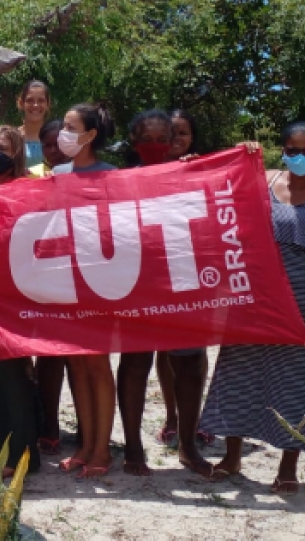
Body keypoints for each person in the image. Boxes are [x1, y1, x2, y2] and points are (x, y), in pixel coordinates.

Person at [200, 122, 305, 492]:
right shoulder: (260, 180)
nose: (300, 157)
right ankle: (232, 458)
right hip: (251, 292)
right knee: (238, 371)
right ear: (282, 149)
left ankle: (287, 468)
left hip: (298, 297)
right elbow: (216, 191)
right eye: (293, 149)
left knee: (295, 380)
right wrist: (231, 156)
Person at [114, 109, 207, 477]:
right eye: (146, 140)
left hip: (183, 280)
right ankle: (133, 447)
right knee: (136, 363)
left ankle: (187, 444)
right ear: (135, 144)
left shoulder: (193, 174)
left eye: (161, 139)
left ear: (173, 141)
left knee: (188, 362)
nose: (154, 146)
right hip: (137, 282)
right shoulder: (120, 180)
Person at [53, 103, 117, 478]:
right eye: (63, 125)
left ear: (90, 135)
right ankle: (85, 444)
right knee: (77, 362)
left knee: (97, 363)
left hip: (101, 280)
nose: (64, 132)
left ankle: (102, 450)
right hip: (65, 279)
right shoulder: (58, 174)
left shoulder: (111, 175)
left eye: (71, 127)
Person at [0, 125, 42, 478]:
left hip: (18, 292)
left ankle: (23, 456)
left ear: (15, 154)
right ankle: (11, 448)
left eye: (3, 147)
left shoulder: (26, 189)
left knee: (14, 372)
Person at [153, 108, 214, 469]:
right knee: (165, 350)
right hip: (156, 274)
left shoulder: (205, 168)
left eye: (183, 133)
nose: (176, 140)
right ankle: (173, 418)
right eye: (169, 134)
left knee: (192, 352)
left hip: (193, 272)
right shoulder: (143, 170)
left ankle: (189, 437)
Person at [34, 117, 73, 451]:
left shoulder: (92, 174)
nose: (54, 151)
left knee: (81, 355)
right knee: (48, 357)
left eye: (59, 144)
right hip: (46, 275)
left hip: (83, 276)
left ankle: (88, 427)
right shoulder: (30, 175)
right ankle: (49, 424)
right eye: (48, 145)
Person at [17, 80, 52, 172]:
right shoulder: (13, 138)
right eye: (30, 100)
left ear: (48, 104)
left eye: (41, 100)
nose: (35, 105)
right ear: (21, 103)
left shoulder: (56, 138)